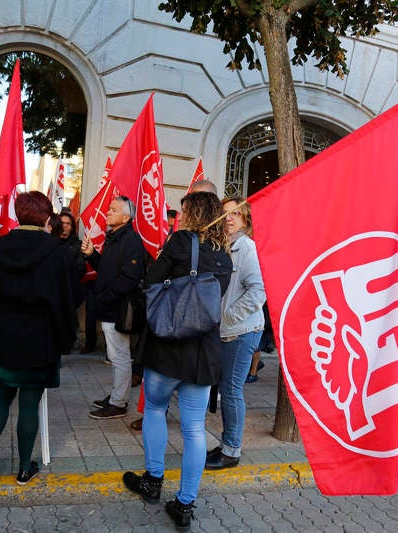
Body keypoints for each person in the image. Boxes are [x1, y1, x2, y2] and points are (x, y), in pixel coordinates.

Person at [122, 191, 232, 529]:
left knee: (155, 408)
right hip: (202, 352)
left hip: (168, 345)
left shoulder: (180, 242)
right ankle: (185, 504)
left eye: (184, 211)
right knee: (195, 427)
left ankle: (153, 481)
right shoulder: (226, 257)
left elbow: (151, 282)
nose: (179, 217)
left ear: (194, 213)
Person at [0, 192, 77, 484]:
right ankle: (25, 467)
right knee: (29, 403)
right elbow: (66, 300)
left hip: (3, 338)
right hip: (40, 341)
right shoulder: (56, 251)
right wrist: (66, 339)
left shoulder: (0, 247)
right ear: (46, 216)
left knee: (1, 398)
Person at [205, 196, 266, 470]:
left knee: (231, 391)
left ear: (245, 220)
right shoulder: (224, 247)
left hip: (241, 330)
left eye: (235, 214)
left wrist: (227, 316)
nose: (228, 218)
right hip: (226, 330)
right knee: (227, 390)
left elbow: (258, 292)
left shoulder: (248, 248)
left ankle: (232, 451)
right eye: (225, 213)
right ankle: (227, 442)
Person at [81, 195, 146, 419]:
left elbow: (129, 278)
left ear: (126, 216)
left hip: (117, 309)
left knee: (119, 355)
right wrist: (92, 255)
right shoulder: (115, 237)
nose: (107, 212)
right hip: (109, 306)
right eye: (109, 209)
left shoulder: (131, 240)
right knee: (115, 354)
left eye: (113, 209)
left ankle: (118, 402)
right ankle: (118, 395)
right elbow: (107, 270)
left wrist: (105, 297)